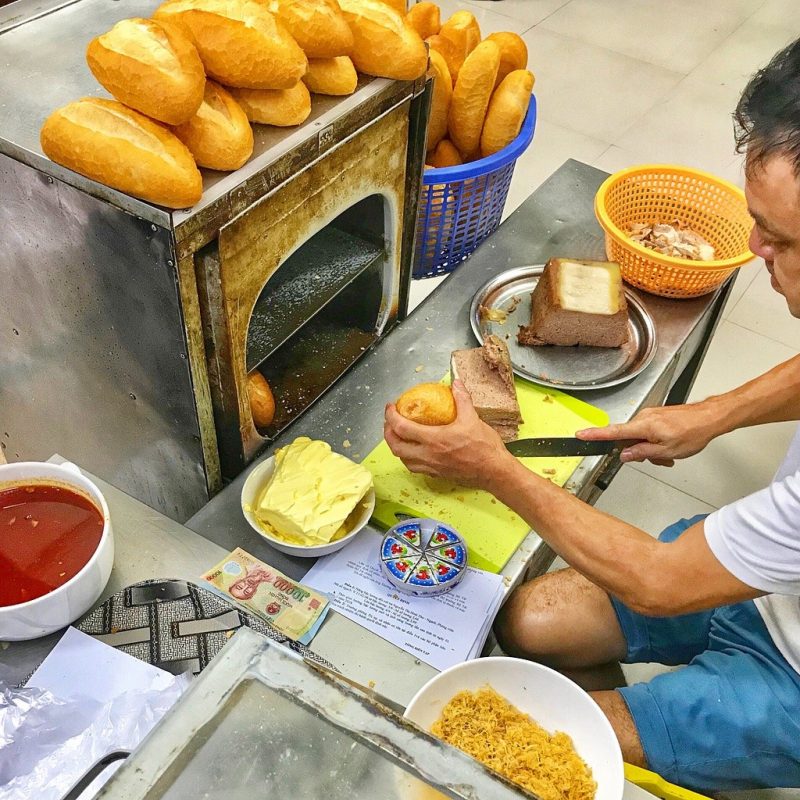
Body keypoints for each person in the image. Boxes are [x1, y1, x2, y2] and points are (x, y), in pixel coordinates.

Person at [384, 39, 800, 793]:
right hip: (776, 588)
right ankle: (658, 717)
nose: (753, 249)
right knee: (530, 621)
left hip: (794, 680)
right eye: (757, 219)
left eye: (783, 238)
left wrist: (490, 465)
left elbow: (661, 582)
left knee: (529, 747)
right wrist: (712, 413)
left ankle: (673, 737)